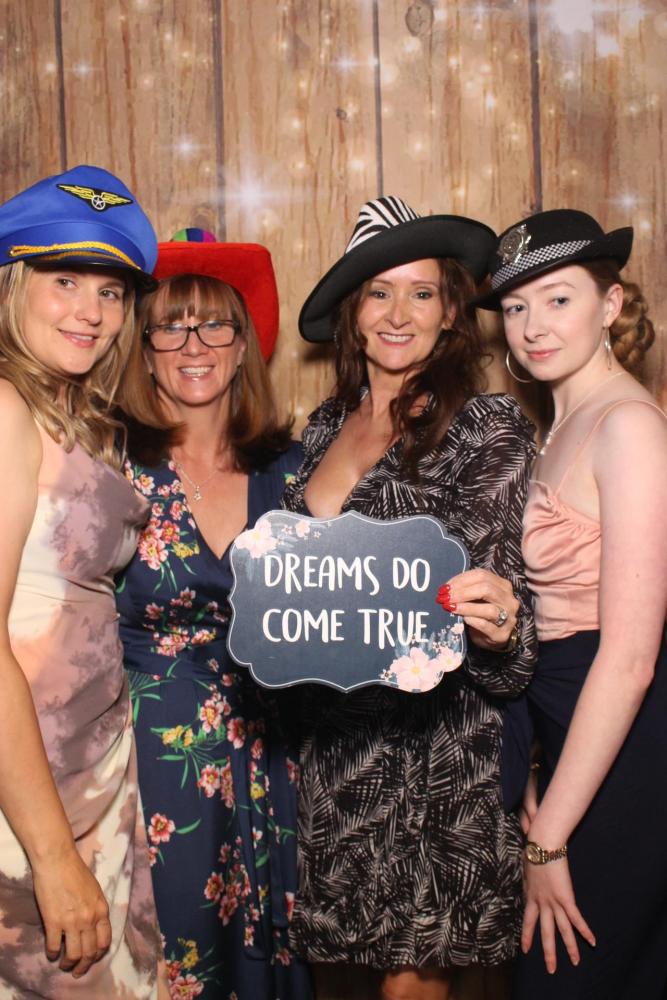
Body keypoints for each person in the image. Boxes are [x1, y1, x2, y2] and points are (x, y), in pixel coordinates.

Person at [280, 195, 538, 1000]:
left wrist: (500, 628)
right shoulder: (319, 430)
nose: (398, 314)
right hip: (334, 765)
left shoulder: (484, 427)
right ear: (352, 314)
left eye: (421, 293)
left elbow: (507, 634)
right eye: (378, 292)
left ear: (450, 312)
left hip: (434, 767)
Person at [115, 229, 313, 999]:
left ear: (243, 345)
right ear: (145, 349)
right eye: (170, 326)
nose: (193, 345)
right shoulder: (106, 467)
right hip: (150, 768)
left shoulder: (294, 471)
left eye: (214, 325)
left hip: (273, 762)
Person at [479, 209, 667, 999]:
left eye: (558, 299)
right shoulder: (556, 427)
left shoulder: (627, 426)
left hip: (626, 737)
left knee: (575, 974)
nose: (532, 326)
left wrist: (547, 841)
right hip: (567, 721)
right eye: (515, 307)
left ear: (610, 305)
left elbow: (628, 659)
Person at [0, 165, 165, 996]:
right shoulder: (4, 409)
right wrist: (53, 857)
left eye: (110, 292)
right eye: (63, 280)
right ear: (12, 284)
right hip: (28, 808)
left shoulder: (75, 416)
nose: (90, 312)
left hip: (88, 782)